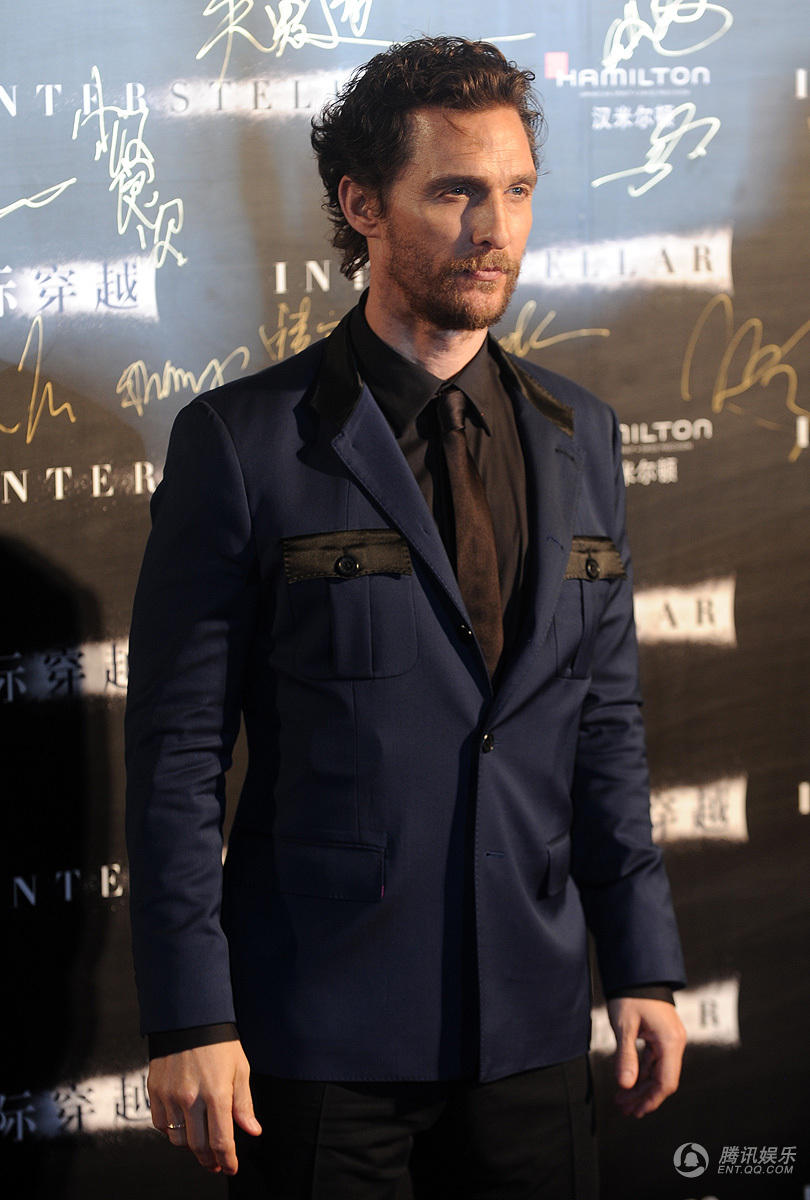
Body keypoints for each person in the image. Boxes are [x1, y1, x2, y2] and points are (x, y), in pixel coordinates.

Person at [125, 35, 687, 1199]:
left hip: (534, 1037)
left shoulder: (583, 436)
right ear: (362, 206)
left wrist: (643, 962)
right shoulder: (241, 444)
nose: (496, 229)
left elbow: (603, 728)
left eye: (517, 190)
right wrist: (190, 1016)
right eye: (456, 192)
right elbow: (177, 756)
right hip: (319, 1051)